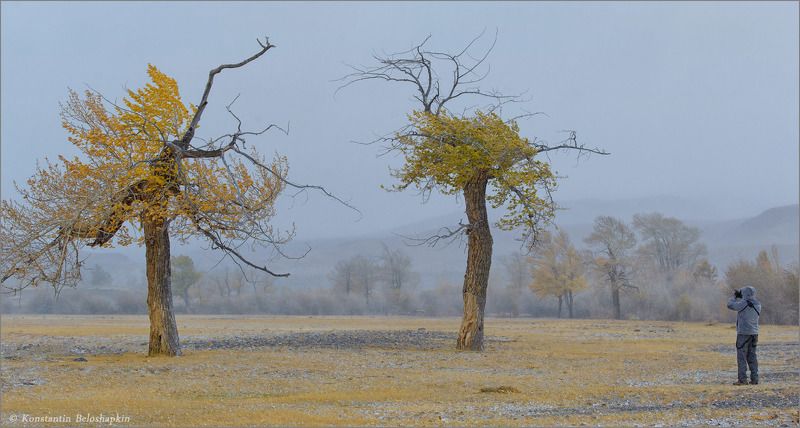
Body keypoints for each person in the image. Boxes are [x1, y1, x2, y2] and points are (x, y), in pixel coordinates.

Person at [727, 286, 761, 385]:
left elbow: (730, 305)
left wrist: (734, 296)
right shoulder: (758, 304)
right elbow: (748, 303)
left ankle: (742, 380)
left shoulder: (743, 303)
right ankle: (755, 379)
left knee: (741, 356)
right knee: (752, 356)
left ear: (745, 294)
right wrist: (742, 297)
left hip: (743, 334)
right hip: (754, 334)